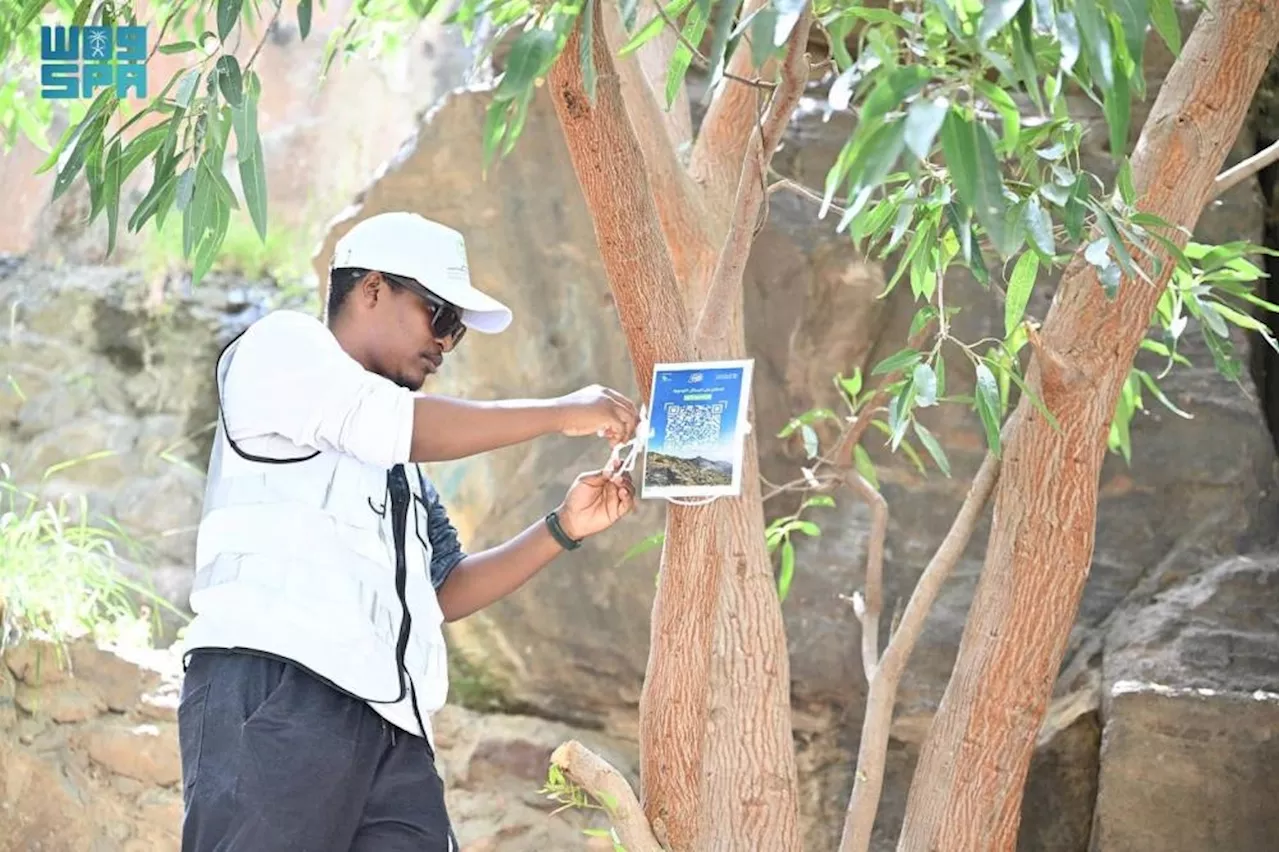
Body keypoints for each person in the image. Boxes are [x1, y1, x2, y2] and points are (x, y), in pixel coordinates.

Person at [176, 211, 640, 852]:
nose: (446, 344)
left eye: (458, 333)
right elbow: (391, 423)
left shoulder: (401, 457)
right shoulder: (279, 347)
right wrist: (563, 413)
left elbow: (443, 587)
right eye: (441, 317)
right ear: (370, 290)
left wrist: (562, 527)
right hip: (276, 692)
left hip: (392, 726)